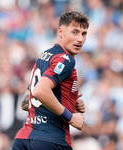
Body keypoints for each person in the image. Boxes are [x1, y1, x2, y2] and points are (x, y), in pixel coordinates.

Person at [12, 10, 89, 150]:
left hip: (23, 139)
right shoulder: (66, 59)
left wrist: (68, 102)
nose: (80, 39)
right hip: (51, 140)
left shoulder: (44, 56)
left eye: (84, 34)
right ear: (60, 31)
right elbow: (41, 91)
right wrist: (70, 116)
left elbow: (25, 103)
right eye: (75, 32)